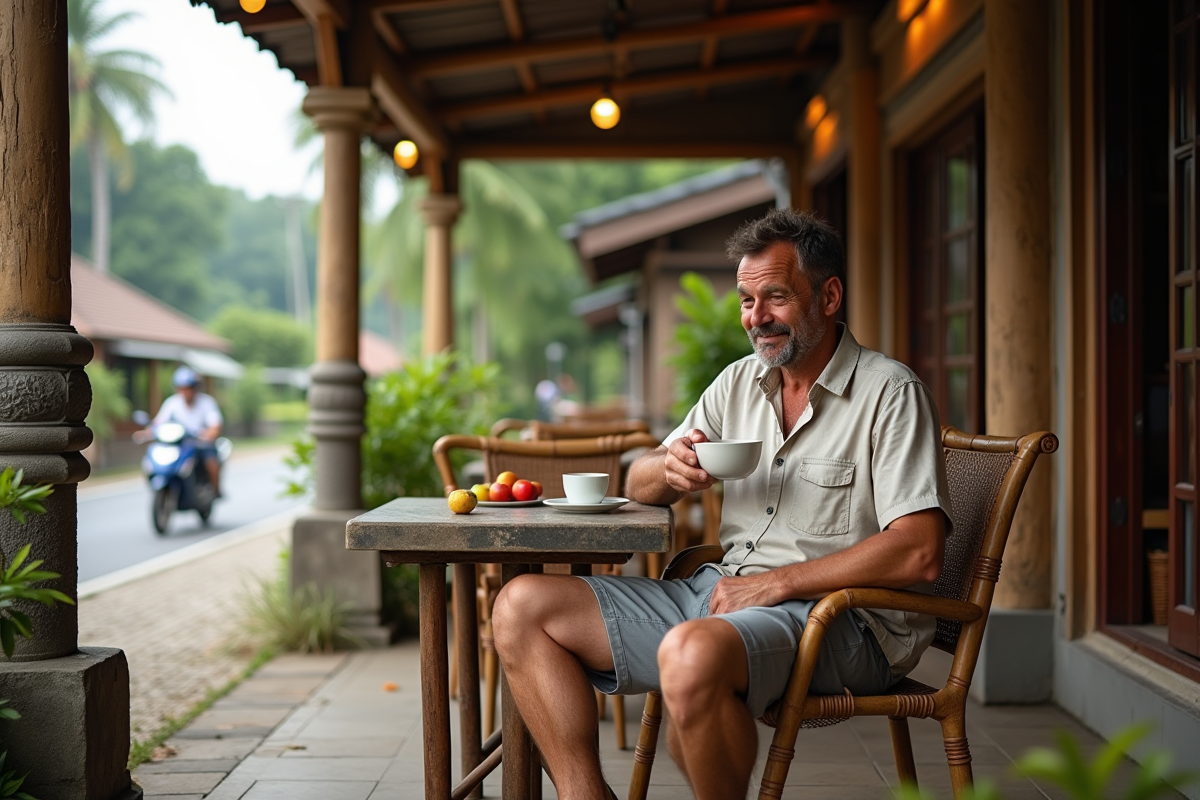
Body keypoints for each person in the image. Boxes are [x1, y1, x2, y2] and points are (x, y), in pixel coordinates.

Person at [491, 209, 953, 800]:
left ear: (830, 295)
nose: (756, 318)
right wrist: (672, 468)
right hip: (721, 592)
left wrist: (776, 584)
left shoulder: (890, 393)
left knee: (690, 655)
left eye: (776, 297)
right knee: (521, 606)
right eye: (744, 300)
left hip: (841, 619)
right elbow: (637, 480)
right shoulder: (739, 383)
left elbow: (919, 552)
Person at [148, 366, 224, 497]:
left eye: (189, 388)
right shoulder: (172, 403)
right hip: (179, 444)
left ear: (195, 388)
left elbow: (215, 424)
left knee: (211, 463)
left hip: (200, 443)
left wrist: (209, 433)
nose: (186, 391)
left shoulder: (206, 402)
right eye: (182, 388)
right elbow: (158, 422)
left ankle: (215, 490)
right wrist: (147, 432)